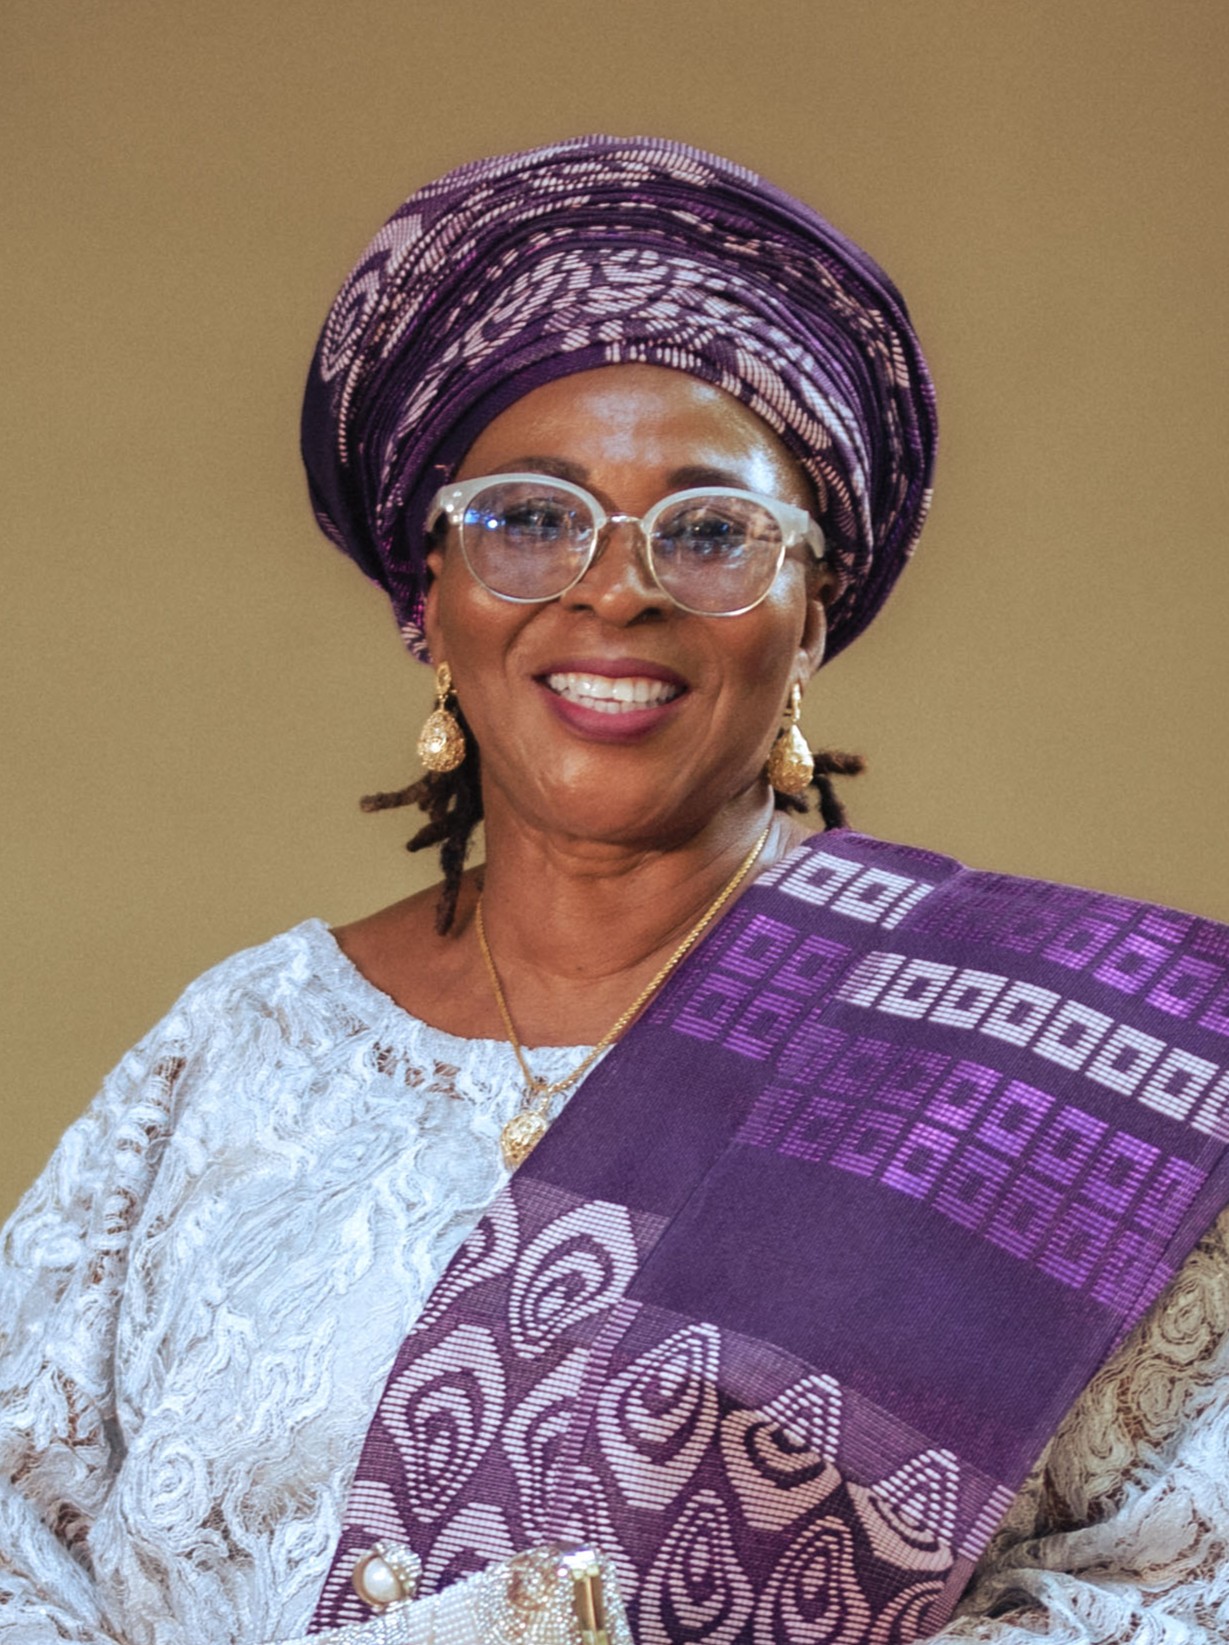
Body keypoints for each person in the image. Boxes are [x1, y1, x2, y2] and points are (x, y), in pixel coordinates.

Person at [3, 135, 1228, 1645]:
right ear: (428, 599)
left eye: (711, 531)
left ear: (809, 618)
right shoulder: (239, 1050)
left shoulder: (1043, 1071)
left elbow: (1176, 1591)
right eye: (529, 517)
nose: (613, 585)